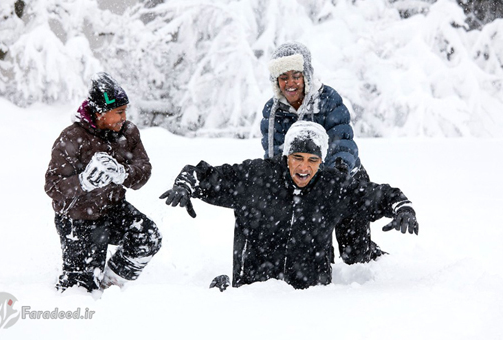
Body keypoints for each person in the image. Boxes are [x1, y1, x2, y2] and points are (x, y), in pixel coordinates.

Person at [160, 121, 418, 290]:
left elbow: (380, 195)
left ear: (321, 162)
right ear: (286, 157)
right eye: (297, 158)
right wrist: (186, 185)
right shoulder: (257, 176)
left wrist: (402, 208)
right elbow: (204, 175)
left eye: (313, 160)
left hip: (310, 301)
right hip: (253, 296)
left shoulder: (332, 187)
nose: (304, 167)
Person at [260, 41, 382, 265]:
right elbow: (275, 154)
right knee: (314, 255)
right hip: (306, 184)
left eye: (295, 75)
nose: (290, 83)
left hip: (344, 178)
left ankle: (372, 255)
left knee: (355, 256)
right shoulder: (273, 111)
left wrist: (337, 172)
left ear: (305, 75)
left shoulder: (328, 100)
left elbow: (342, 140)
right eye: (283, 77)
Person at [45, 72, 162, 293]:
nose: (124, 117)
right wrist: (83, 182)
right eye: (118, 112)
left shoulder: (128, 132)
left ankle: (111, 284)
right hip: (77, 220)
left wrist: (123, 173)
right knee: (80, 291)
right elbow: (52, 186)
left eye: (125, 110)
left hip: (113, 209)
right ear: (100, 112)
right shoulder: (71, 138)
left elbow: (143, 170)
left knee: (148, 238)